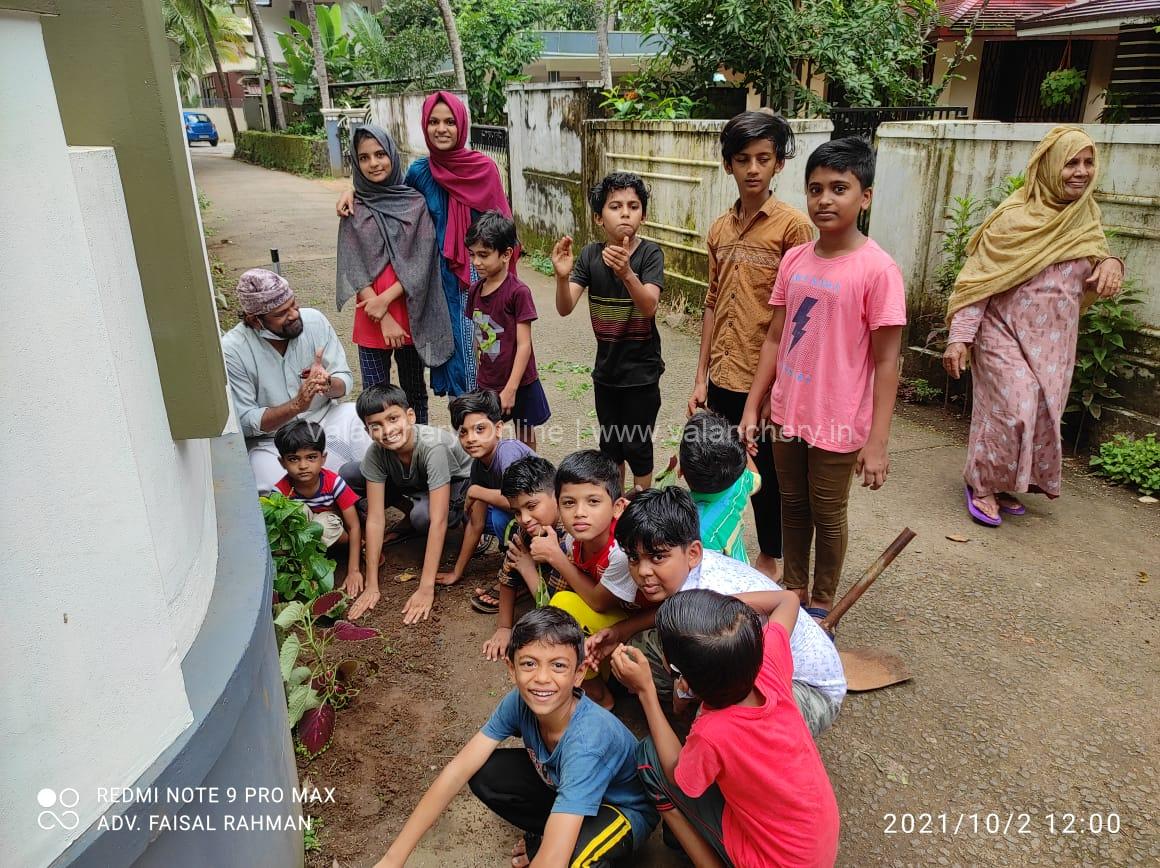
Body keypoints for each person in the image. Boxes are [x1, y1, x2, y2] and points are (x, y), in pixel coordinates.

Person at [740, 137, 906, 622]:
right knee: (792, 503)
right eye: (815, 189)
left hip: (838, 419)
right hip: (787, 411)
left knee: (828, 512)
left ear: (865, 197)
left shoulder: (878, 270)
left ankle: (822, 600)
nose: (825, 200)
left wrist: (877, 442)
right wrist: (753, 404)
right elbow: (775, 337)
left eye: (839, 188)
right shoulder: (795, 259)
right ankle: (793, 588)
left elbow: (887, 362)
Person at [373, 607, 659, 868]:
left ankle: (571, 840)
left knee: (574, 860)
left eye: (558, 666)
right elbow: (457, 770)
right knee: (486, 772)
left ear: (579, 673)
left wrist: (551, 853)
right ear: (512, 669)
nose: (542, 678)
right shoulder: (519, 702)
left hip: (621, 808)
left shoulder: (587, 742)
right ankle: (554, 832)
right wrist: (391, 860)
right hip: (569, 786)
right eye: (529, 664)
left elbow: (553, 863)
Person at [943, 126, 1125, 527]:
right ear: (1048, 166)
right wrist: (960, 338)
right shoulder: (1012, 220)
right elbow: (978, 281)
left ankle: (1006, 482)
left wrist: (1112, 263)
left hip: (1054, 343)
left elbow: (1096, 262)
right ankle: (981, 483)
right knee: (1014, 407)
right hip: (1000, 332)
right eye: (1071, 163)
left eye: (1088, 162)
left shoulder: (1084, 218)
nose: (1081, 171)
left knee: (1039, 412)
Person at [612, 590, 840, 868]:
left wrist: (645, 690)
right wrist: (723, 616)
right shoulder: (768, 662)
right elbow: (788, 600)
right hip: (816, 843)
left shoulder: (712, 732)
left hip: (775, 862)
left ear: (681, 676)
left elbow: (676, 774)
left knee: (650, 759)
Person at [594, 487, 846, 736]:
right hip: (754, 664)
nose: (643, 571)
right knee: (641, 648)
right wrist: (620, 631)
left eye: (657, 557)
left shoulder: (715, 597)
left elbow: (721, 660)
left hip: (808, 691)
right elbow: (675, 610)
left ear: (693, 553)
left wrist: (684, 692)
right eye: (633, 558)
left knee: (721, 731)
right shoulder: (691, 572)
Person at [689, 111, 814, 583]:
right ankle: (724, 541)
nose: (753, 168)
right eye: (743, 159)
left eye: (764, 158)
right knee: (723, 465)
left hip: (766, 376)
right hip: (723, 372)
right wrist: (700, 377)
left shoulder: (793, 228)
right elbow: (711, 302)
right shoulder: (719, 230)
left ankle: (770, 555)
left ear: (779, 164)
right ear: (729, 165)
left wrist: (772, 392)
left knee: (767, 474)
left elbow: (799, 319)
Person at [338, 92, 515, 397]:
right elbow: (392, 201)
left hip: (477, 278)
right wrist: (352, 191)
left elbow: (504, 232)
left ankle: (488, 420)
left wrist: (501, 284)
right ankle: (464, 420)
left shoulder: (483, 169)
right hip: (434, 281)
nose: (441, 129)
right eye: (433, 121)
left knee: (488, 354)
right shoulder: (420, 172)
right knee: (453, 355)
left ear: (461, 125)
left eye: (449, 122)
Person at [552, 173, 664, 490]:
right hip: (606, 373)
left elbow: (649, 307)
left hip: (641, 375)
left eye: (633, 206)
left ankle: (641, 507)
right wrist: (562, 277)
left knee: (638, 447)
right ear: (599, 217)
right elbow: (564, 307)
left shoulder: (650, 254)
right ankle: (614, 506)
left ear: (643, 214)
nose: (625, 213)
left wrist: (627, 273)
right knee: (611, 447)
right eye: (615, 207)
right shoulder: (590, 255)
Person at [336, 124, 452, 424]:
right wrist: (380, 312)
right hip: (371, 315)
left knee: (414, 394)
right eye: (364, 158)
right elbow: (353, 263)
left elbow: (424, 259)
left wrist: (385, 301)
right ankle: (382, 451)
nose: (373, 163)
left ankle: (418, 446)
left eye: (380, 154)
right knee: (374, 398)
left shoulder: (414, 202)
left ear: (392, 154)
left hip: (410, 312)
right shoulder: (353, 207)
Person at [221, 268, 370, 492]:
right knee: (265, 475)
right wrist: (296, 406)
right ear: (255, 320)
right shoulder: (233, 350)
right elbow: (246, 420)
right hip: (275, 442)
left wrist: (328, 384)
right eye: (281, 313)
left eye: (293, 304)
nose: (293, 315)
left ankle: (360, 492)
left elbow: (344, 380)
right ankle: (332, 496)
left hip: (324, 422)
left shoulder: (314, 321)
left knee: (358, 416)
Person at [516, 451, 635, 709]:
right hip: (616, 618)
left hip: (638, 625)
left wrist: (556, 557)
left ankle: (599, 694)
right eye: (569, 503)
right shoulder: (575, 539)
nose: (580, 513)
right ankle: (597, 680)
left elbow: (598, 602)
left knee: (562, 606)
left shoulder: (620, 551)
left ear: (617, 507)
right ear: (558, 506)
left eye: (593, 501)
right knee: (559, 611)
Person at [350, 384, 472, 623]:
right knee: (351, 473)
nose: (387, 430)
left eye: (393, 419)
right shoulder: (376, 453)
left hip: (458, 482)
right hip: (419, 482)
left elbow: (438, 521)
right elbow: (375, 518)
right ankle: (410, 515)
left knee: (424, 517)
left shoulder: (433, 447)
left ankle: (457, 519)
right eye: (376, 425)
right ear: (368, 431)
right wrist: (371, 585)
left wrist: (426, 587)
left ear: (410, 416)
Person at [438, 389, 533, 605]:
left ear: (498, 429)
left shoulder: (507, 452)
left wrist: (476, 491)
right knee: (471, 513)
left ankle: (521, 577)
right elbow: (476, 524)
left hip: (549, 524)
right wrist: (457, 572)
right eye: (463, 432)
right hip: (524, 520)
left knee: (500, 517)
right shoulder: (478, 466)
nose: (471, 439)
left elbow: (522, 502)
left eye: (480, 429)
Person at [466, 211, 550, 449]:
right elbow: (477, 336)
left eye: (483, 255)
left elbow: (524, 345)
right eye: (472, 254)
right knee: (486, 431)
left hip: (519, 381)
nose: (476, 262)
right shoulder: (474, 290)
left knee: (525, 432)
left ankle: (529, 469)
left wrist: (511, 389)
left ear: (506, 254)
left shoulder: (518, 292)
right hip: (488, 380)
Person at [272, 420, 363, 596]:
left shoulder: (334, 483)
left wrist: (354, 570)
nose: (303, 466)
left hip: (337, 535)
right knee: (296, 511)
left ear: (323, 458)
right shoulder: (280, 492)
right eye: (293, 459)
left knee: (321, 524)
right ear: (282, 462)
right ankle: (303, 568)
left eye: (311, 457)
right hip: (306, 540)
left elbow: (354, 526)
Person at [679, 411, 761, 565]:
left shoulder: (695, 528)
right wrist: (742, 448)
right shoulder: (741, 483)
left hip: (722, 578)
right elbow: (757, 478)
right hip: (742, 568)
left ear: (681, 471)